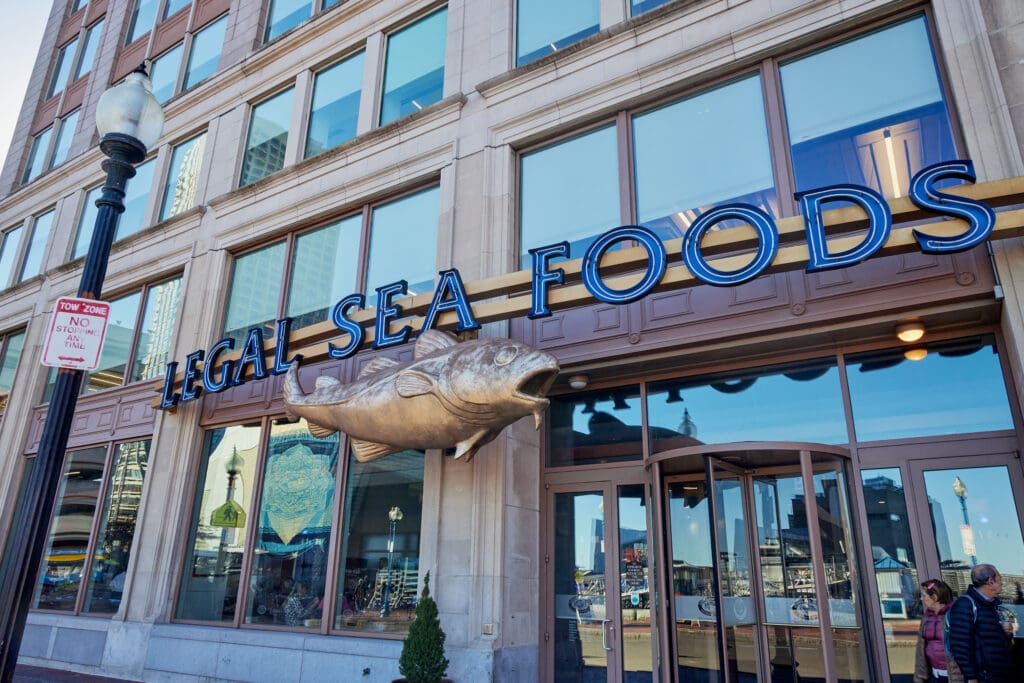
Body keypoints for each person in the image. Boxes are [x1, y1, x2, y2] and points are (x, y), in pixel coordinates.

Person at [947, 564, 1013, 683]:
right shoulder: (966, 605)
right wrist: (972, 677)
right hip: (984, 676)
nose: (1002, 583)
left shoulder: (991, 605)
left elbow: (991, 639)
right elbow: (960, 645)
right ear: (990, 581)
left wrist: (1006, 633)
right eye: (1000, 579)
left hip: (1000, 674)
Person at [914, 579, 963, 683]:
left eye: (924, 595)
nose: (921, 598)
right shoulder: (926, 618)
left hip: (956, 676)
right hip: (935, 674)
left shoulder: (954, 615)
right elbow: (920, 648)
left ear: (935, 597)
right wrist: (919, 677)